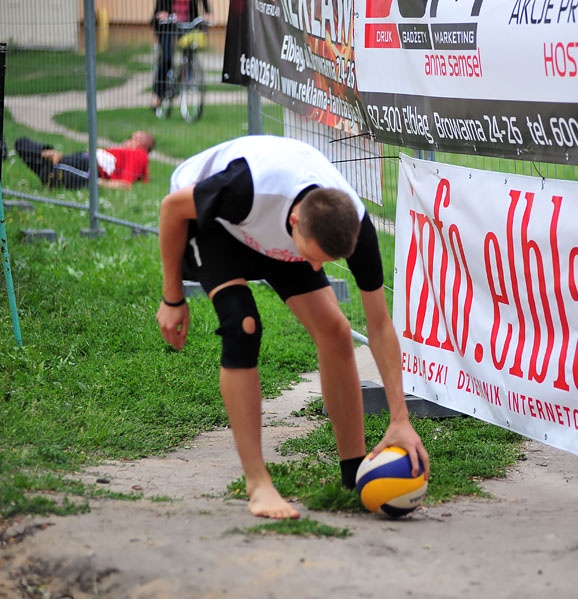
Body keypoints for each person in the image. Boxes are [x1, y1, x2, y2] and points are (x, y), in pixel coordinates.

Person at [155, 135, 430, 520]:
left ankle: (353, 476)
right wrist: (172, 299)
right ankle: (258, 484)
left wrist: (399, 417)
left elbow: (380, 325)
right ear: (296, 220)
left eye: (325, 262)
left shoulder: (353, 227)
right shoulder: (245, 187)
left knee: (334, 329)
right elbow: (171, 209)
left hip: (280, 237)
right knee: (243, 325)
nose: (317, 270)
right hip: (216, 225)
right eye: (314, 258)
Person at [14, 131, 154, 190]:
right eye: (130, 137)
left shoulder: (140, 154)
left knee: (51, 173)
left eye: (134, 139)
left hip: (92, 167)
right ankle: (50, 157)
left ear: (142, 145)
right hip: (84, 158)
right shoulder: (124, 152)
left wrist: (100, 183)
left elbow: (126, 184)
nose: (128, 140)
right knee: (21, 143)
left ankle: (53, 168)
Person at [151, 0, 212, 111]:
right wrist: (162, 13)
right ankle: (158, 94)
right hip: (166, 26)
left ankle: (187, 75)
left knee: (190, 49)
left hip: (187, 24)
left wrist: (207, 13)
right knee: (167, 57)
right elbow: (161, 6)